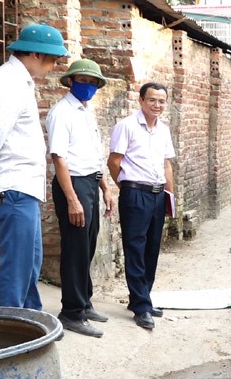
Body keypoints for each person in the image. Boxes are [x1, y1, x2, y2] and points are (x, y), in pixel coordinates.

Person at [0, 23, 69, 310]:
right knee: (17, 271)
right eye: (52, 60)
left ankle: (31, 323)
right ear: (34, 53)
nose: (54, 67)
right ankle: (8, 337)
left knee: (30, 265)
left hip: (20, 188)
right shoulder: (9, 83)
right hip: (13, 188)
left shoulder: (17, 82)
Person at [47, 59, 114, 338]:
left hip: (89, 182)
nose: (87, 86)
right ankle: (71, 312)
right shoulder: (62, 112)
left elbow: (92, 156)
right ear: (71, 81)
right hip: (71, 184)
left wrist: (105, 187)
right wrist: (72, 199)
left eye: (92, 82)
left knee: (87, 246)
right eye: (82, 80)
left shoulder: (85, 112)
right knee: (75, 249)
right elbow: (59, 157)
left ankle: (84, 303)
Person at [108, 82, 175, 330]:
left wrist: (170, 195)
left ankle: (143, 295)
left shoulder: (163, 131)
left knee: (152, 248)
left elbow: (167, 164)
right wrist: (126, 186)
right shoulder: (125, 127)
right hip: (135, 193)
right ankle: (140, 306)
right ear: (141, 100)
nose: (157, 105)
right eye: (152, 100)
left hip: (158, 195)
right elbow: (114, 162)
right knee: (135, 248)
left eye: (161, 101)